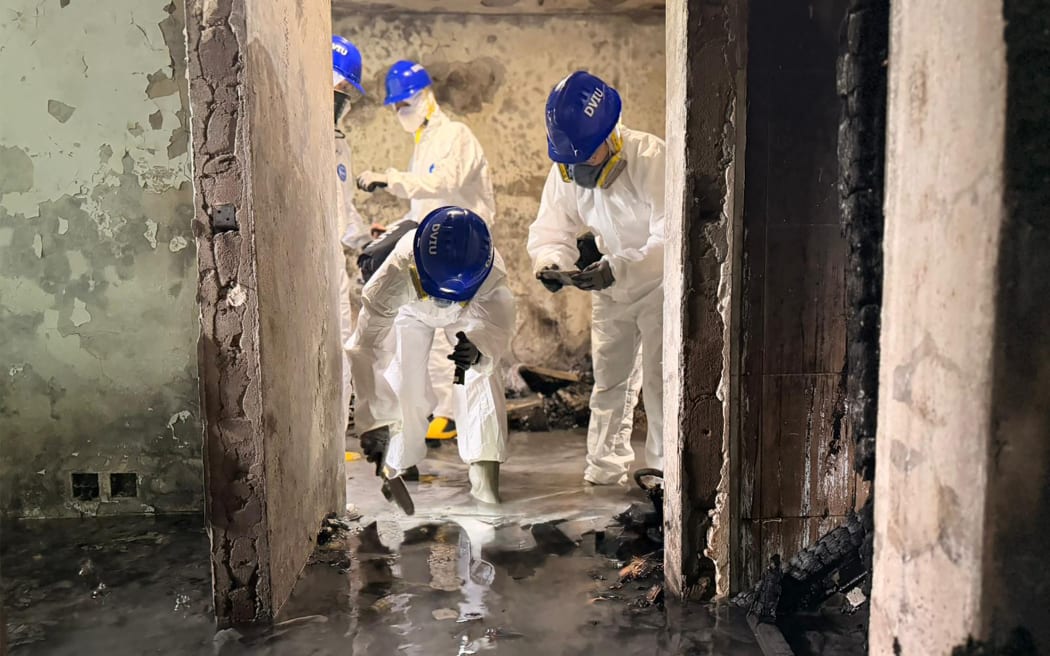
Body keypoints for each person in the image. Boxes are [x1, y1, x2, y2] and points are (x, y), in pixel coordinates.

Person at [527, 71, 665, 486]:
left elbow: (671, 238)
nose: (580, 165)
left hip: (658, 288)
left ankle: (665, 475)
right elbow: (552, 228)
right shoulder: (566, 168)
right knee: (609, 384)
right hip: (611, 289)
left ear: (611, 132)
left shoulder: (652, 158)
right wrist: (551, 262)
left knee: (661, 385)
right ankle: (604, 468)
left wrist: (620, 267)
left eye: (587, 154)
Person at [356, 60, 496, 445]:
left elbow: (443, 183)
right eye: (396, 107)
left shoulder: (456, 136)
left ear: (424, 97)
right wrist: (395, 229)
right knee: (428, 327)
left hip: (466, 250)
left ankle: (469, 419)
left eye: (404, 104)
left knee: (463, 333)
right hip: (436, 252)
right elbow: (423, 207)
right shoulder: (424, 142)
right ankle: (443, 414)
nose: (400, 112)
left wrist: (390, 179)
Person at [348, 206, 515, 511]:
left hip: (467, 312)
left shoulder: (491, 275)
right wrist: (374, 420)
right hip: (409, 310)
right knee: (402, 378)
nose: (442, 300)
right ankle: (398, 461)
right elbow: (367, 349)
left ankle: (484, 471)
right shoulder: (394, 273)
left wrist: (479, 347)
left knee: (480, 375)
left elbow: (497, 328)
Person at [331, 35, 373, 434]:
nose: (343, 97)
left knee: (340, 349)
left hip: (332, 269)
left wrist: (366, 240)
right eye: (339, 86)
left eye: (348, 90)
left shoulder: (339, 145)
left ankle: (333, 448)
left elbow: (343, 209)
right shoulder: (294, 135)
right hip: (302, 268)